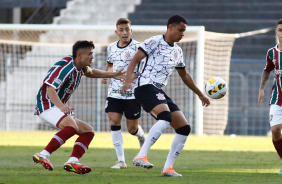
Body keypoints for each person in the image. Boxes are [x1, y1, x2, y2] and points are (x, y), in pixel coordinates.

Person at [120, 15, 210, 177]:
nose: (182, 34)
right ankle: (141, 156)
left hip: (158, 90)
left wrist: (200, 94)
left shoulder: (177, 51)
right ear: (170, 27)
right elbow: (134, 60)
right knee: (165, 117)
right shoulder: (154, 41)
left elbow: (185, 76)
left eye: (184, 31)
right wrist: (127, 81)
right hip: (145, 85)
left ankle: (168, 168)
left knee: (184, 128)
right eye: (180, 30)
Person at [32, 40, 125, 174]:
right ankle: (43, 155)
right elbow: (50, 90)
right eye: (89, 54)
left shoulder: (81, 67)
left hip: (57, 106)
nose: (92, 56)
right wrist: (62, 107)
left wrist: (113, 75)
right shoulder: (66, 67)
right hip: (47, 104)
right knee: (72, 126)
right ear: (79, 55)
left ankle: (73, 161)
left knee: (88, 131)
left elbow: (91, 72)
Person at [102, 18, 146, 169]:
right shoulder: (111, 47)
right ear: (117, 32)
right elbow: (109, 65)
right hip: (114, 92)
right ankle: (121, 161)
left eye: (127, 29)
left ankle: (141, 136)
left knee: (132, 129)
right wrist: (105, 74)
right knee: (114, 121)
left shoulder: (138, 47)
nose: (124, 32)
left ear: (131, 31)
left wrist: (132, 77)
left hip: (132, 94)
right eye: (121, 30)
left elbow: (144, 67)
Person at [258, 19, 282, 175]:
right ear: (276, 32)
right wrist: (261, 88)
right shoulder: (272, 52)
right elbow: (267, 70)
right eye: (280, 30)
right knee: (275, 130)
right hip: (277, 97)